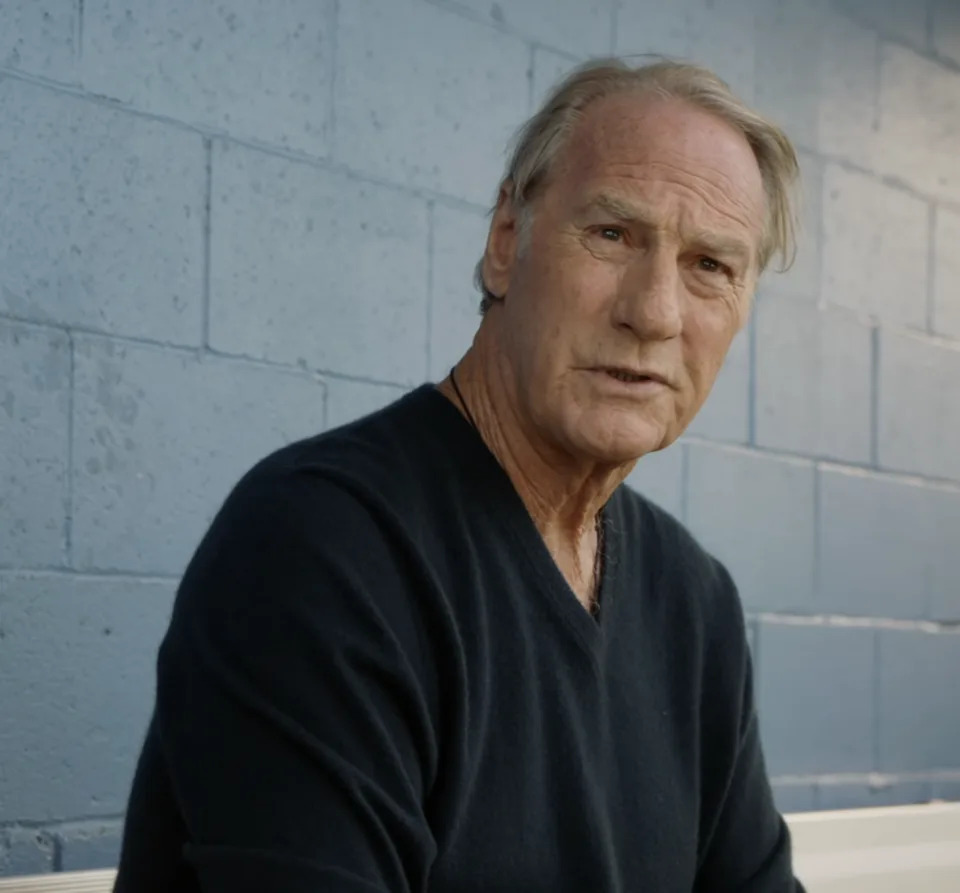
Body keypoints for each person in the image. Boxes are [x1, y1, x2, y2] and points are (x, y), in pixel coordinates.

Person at [114, 58, 805, 892]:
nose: (654, 311)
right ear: (508, 240)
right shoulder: (318, 550)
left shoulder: (696, 605)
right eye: (613, 234)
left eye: (710, 266)